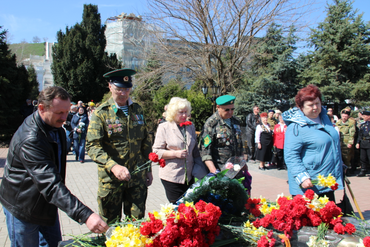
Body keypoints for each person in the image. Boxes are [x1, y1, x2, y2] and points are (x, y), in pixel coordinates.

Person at [0, 86, 108, 247]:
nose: (65, 118)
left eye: (66, 112)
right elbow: (50, 184)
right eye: (59, 113)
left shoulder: (55, 126)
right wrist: (86, 215)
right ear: (42, 108)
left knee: (53, 244)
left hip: (47, 204)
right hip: (22, 207)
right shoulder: (31, 138)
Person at [86, 68, 152, 223]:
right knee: (110, 226)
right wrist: (113, 166)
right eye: (119, 89)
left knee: (136, 224)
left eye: (127, 89)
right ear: (110, 87)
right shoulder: (100, 113)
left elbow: (145, 142)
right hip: (111, 181)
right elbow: (92, 146)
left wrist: (148, 169)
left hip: (136, 178)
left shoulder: (138, 110)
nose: (123, 93)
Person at [283, 84, 344, 201]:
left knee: (329, 217)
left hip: (327, 181)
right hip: (309, 184)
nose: (315, 107)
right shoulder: (296, 127)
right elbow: (291, 155)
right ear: (301, 107)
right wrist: (302, 177)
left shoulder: (325, 118)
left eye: (317, 103)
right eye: (310, 105)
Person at [152, 97, 201, 203]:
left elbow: (195, 151)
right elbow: (156, 151)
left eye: (186, 112)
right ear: (173, 113)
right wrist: (175, 153)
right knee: (177, 208)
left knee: (190, 207)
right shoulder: (164, 127)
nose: (184, 115)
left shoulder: (190, 126)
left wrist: (202, 171)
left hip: (189, 176)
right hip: (172, 176)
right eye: (181, 112)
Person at [199, 95, 245, 173]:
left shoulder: (235, 121)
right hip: (220, 171)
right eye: (227, 110)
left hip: (236, 170)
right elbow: (205, 151)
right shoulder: (211, 124)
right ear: (218, 107)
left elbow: (239, 145)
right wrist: (213, 171)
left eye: (232, 109)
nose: (230, 112)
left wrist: (243, 164)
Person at [336, 107, 356, 174]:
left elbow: (352, 133)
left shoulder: (351, 123)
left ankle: (347, 169)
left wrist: (350, 142)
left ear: (348, 116)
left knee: (347, 156)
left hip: (346, 142)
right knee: (339, 155)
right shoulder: (338, 122)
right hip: (339, 142)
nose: (344, 117)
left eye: (345, 116)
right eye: (343, 116)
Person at [355, 110, 370, 177]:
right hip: (363, 143)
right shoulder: (363, 125)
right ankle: (363, 170)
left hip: (369, 142)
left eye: (364, 116)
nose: (363, 117)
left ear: (368, 116)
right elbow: (360, 135)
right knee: (362, 158)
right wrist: (358, 142)